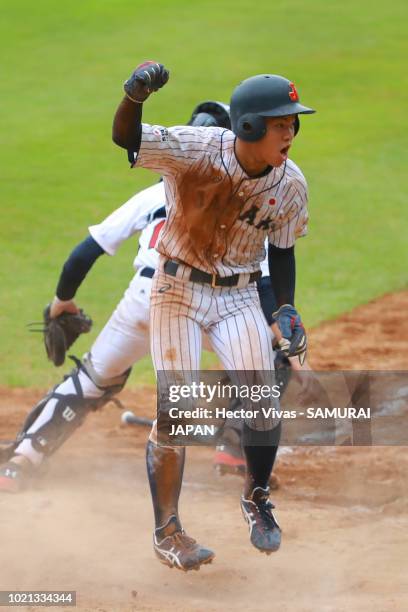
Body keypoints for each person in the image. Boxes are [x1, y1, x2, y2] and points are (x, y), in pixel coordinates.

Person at [0, 100, 301, 493]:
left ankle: (23, 460)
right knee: (267, 365)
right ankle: (234, 451)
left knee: (92, 379)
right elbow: (261, 281)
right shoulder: (243, 200)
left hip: (143, 299)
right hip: (202, 304)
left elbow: (86, 251)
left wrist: (62, 303)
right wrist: (277, 331)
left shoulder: (153, 194)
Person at [112, 61, 315, 570]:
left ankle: (256, 498)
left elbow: (283, 251)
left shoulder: (290, 185)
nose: (290, 132)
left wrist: (286, 306)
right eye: (280, 123)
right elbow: (128, 140)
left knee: (262, 401)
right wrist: (134, 97)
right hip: (177, 290)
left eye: (294, 123)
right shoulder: (197, 150)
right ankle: (168, 531)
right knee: (175, 413)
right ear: (248, 127)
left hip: (240, 297)